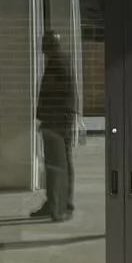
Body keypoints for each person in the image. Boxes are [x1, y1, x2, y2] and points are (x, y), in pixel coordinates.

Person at [32, 30, 78, 223]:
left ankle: (63, 206)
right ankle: (53, 203)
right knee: (54, 164)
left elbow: (60, 97)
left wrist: (50, 119)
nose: (42, 48)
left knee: (60, 164)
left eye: (45, 44)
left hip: (58, 122)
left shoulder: (59, 63)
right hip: (55, 121)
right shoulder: (56, 61)